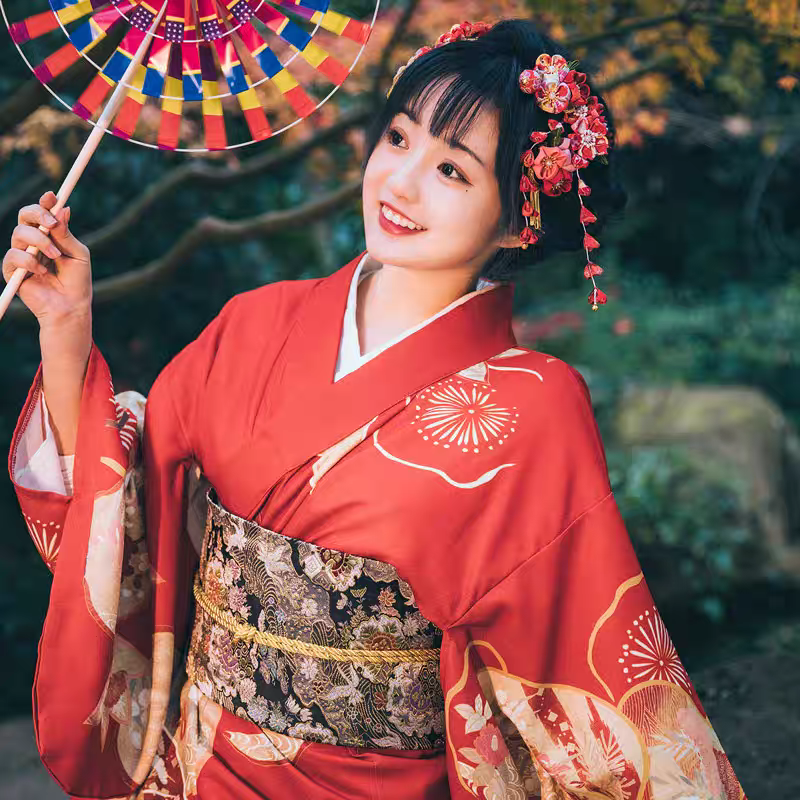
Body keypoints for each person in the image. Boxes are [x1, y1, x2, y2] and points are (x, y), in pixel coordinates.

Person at [3, 17, 746, 800]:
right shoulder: (257, 320)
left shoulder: (534, 406)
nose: (400, 181)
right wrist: (65, 325)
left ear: (519, 219)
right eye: (398, 138)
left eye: (453, 172)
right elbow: (121, 507)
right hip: (202, 764)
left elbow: (576, 653)